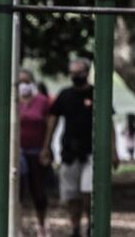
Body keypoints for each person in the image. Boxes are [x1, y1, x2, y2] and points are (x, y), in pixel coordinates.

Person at [40, 57, 120, 237]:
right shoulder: (65, 95)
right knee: (71, 195)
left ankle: (91, 225)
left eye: (79, 72)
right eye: (73, 73)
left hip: (93, 152)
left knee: (89, 191)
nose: (76, 76)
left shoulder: (97, 94)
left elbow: (109, 123)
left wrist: (113, 151)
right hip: (69, 153)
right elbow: (52, 120)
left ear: (87, 72)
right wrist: (46, 146)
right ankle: (75, 228)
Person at [17, 69, 51, 237]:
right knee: (17, 191)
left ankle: (41, 226)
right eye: (20, 82)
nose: (24, 85)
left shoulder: (42, 101)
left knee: (38, 192)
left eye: (27, 81)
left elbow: (51, 124)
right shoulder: (13, 101)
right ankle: (18, 227)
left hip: (37, 151)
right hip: (18, 153)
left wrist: (46, 148)